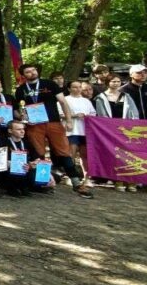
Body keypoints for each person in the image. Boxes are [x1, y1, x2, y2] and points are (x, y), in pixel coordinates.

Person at [13, 64, 93, 199]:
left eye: (33, 70)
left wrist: (69, 120)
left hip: (53, 122)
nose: (32, 73)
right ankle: (42, 183)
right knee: (39, 154)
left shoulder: (49, 84)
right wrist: (22, 117)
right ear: (23, 75)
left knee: (64, 152)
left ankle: (76, 183)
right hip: (34, 125)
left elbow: (63, 102)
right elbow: (19, 109)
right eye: (28, 71)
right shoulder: (21, 90)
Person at [62, 80, 96, 188]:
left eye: (79, 87)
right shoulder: (65, 100)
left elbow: (93, 114)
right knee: (71, 154)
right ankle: (70, 177)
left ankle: (87, 178)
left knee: (85, 155)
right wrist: (74, 116)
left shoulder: (86, 101)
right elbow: (60, 114)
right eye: (75, 87)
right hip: (71, 131)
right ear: (69, 89)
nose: (78, 89)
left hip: (85, 131)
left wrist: (86, 116)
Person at [4, 120, 43, 197]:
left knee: (52, 176)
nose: (22, 131)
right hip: (10, 170)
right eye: (19, 129)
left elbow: (37, 158)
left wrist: (33, 164)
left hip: (26, 169)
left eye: (23, 129)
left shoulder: (27, 143)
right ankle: (12, 188)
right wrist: (14, 164)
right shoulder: (3, 142)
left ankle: (27, 187)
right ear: (10, 131)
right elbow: (0, 161)